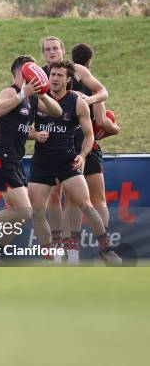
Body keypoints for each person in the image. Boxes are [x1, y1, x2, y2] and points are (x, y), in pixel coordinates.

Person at [0, 55, 61, 262]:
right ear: (21, 73)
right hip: (2, 160)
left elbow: (57, 111)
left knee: (17, 217)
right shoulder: (10, 92)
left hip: (15, 162)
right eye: (33, 71)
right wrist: (21, 94)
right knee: (26, 212)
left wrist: (43, 94)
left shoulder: (34, 99)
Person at [27, 60, 121, 265]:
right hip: (42, 161)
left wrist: (83, 155)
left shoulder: (77, 101)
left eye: (59, 75)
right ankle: (51, 254)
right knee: (37, 210)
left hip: (68, 160)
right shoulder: (37, 99)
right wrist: (33, 134)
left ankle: (106, 249)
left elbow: (89, 136)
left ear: (69, 79)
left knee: (86, 204)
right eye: (52, 74)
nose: (54, 78)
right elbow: (21, 129)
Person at [39, 36, 109, 256]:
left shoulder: (77, 70)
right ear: (43, 54)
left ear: (62, 50)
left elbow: (103, 91)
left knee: (92, 197)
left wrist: (86, 101)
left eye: (55, 49)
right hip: (55, 141)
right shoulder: (40, 76)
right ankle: (62, 246)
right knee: (55, 194)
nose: (51, 52)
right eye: (47, 49)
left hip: (82, 138)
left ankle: (103, 248)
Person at [62, 43, 120, 264]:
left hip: (67, 144)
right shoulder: (90, 85)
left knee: (72, 202)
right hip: (89, 144)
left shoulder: (62, 81)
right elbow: (103, 122)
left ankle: (72, 253)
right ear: (89, 62)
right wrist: (116, 129)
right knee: (98, 200)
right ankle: (104, 250)